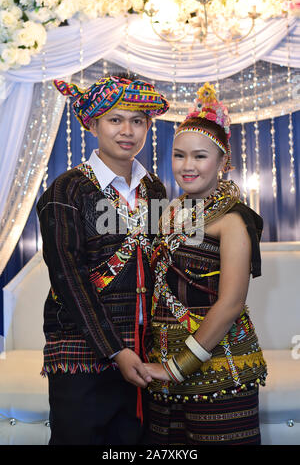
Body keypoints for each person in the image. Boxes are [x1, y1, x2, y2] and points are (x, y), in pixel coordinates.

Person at [36, 73, 169, 445]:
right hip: (82, 354)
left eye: (138, 120)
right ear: (93, 124)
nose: (128, 131)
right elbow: (69, 277)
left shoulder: (153, 188)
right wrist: (115, 349)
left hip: (144, 353)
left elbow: (159, 264)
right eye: (115, 119)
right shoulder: (68, 189)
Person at [144, 82, 268, 445]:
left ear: (222, 162)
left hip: (220, 371)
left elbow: (230, 304)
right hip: (160, 369)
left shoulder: (233, 220)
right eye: (179, 155)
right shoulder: (165, 214)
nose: (187, 165)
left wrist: (176, 368)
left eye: (200, 156)